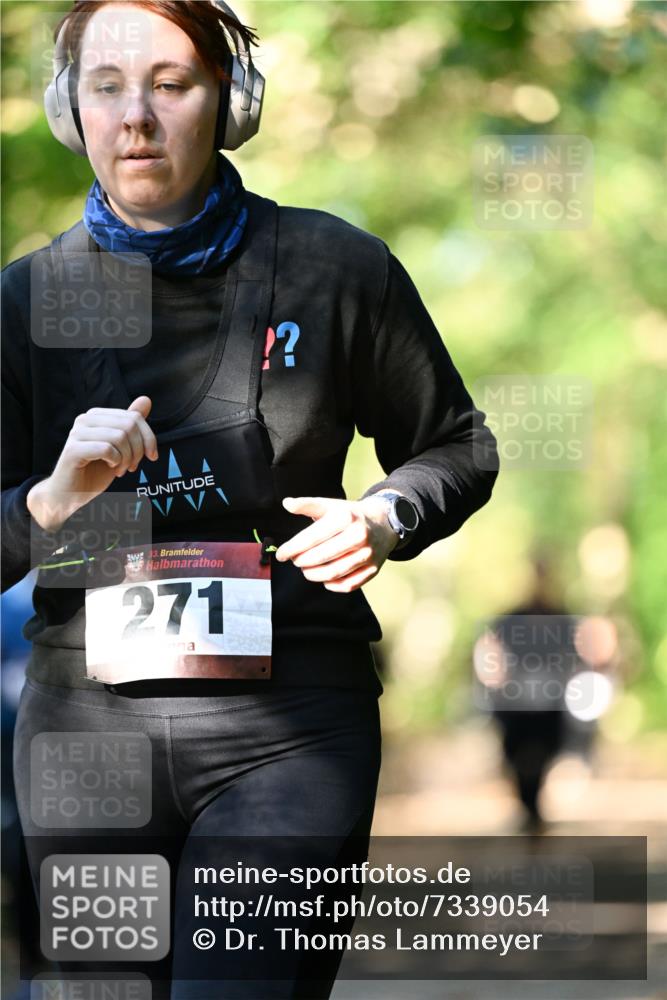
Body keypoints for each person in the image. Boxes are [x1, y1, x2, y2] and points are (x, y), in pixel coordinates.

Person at [1, 2, 499, 997]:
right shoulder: (28, 300)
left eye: (170, 84)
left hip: (293, 730)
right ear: (71, 110)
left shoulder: (332, 268)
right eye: (106, 86)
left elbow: (456, 444)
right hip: (86, 731)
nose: (135, 115)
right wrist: (49, 501)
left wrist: (385, 515)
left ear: (231, 103)